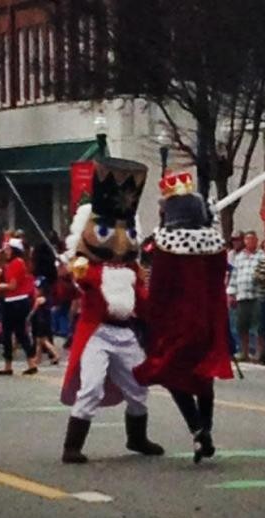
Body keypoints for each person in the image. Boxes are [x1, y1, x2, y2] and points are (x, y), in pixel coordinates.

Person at [60, 157, 164, 464]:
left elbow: (144, 304)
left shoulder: (132, 270)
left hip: (125, 333)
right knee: (90, 388)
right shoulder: (87, 269)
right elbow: (67, 291)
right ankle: (72, 446)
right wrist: (71, 275)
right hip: (97, 333)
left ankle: (137, 437)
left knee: (139, 386)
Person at [134, 170, 233, 463]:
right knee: (204, 376)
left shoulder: (165, 246)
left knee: (172, 373)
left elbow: (159, 290)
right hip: (209, 319)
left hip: (177, 322)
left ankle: (197, 428)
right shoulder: (216, 245)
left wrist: (147, 315)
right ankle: (206, 428)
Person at [0, 239, 39, 376]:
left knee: (7, 333)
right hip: (20, 301)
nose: (6, 252)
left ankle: (8, 365)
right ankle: (31, 363)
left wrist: (1, 286)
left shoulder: (15, 263)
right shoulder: (19, 263)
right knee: (21, 332)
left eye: (8, 249)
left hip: (13, 301)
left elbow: (12, 285)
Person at [226, 231, 263, 361]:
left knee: (258, 326)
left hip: (257, 295)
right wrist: (231, 293)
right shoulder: (239, 257)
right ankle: (244, 352)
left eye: (252, 239)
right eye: (247, 239)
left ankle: (258, 352)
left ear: (256, 241)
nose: (249, 242)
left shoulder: (261, 256)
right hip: (242, 295)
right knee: (242, 326)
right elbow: (234, 275)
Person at [30, 242, 60, 366]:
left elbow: (38, 294)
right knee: (41, 337)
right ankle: (38, 358)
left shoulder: (39, 279)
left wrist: (31, 312)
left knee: (41, 337)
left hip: (41, 310)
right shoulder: (49, 277)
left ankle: (55, 353)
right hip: (47, 307)